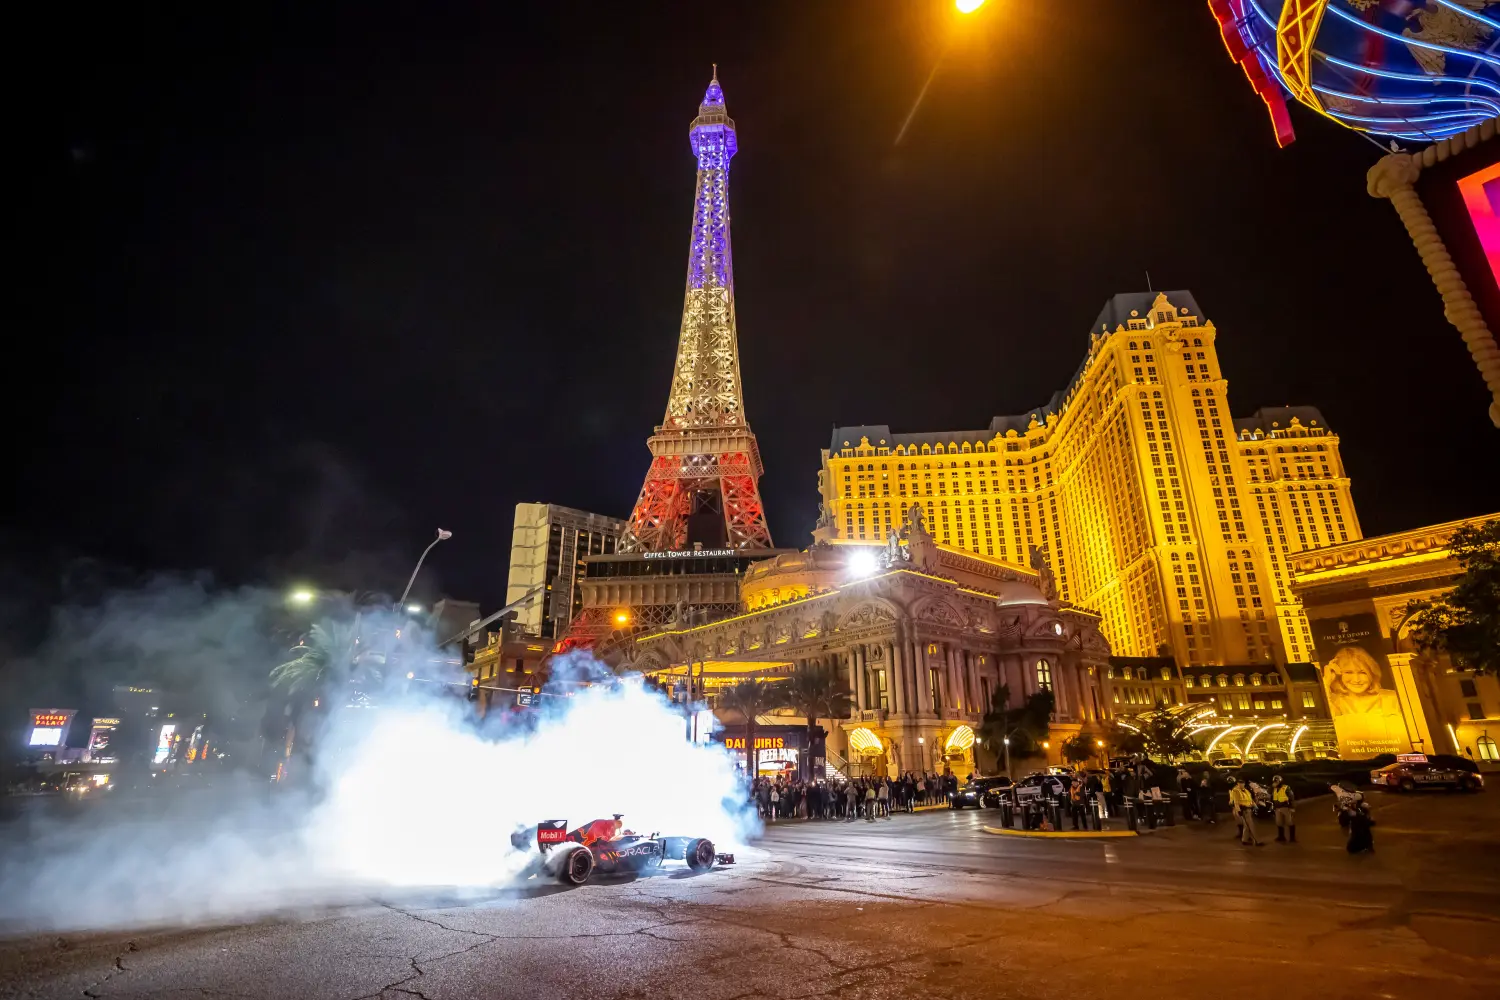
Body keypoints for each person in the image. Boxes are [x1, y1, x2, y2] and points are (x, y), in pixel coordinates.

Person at [1229, 777, 1264, 846]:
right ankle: (1257, 841)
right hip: (1243, 810)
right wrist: (1239, 810)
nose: (1241, 784)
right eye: (1240, 783)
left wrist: (1255, 806)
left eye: (1242, 783)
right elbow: (1236, 802)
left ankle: (1244, 840)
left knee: (1246, 826)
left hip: (1248, 809)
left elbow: (1250, 800)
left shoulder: (1246, 791)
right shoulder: (1236, 790)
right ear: (1237, 784)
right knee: (1250, 825)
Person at [1272, 775, 1296, 843]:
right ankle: (1281, 837)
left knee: (1289, 822)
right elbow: (1269, 793)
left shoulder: (1286, 787)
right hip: (1277, 808)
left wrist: (1292, 807)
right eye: (1274, 781)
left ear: (1280, 781)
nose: (1275, 782)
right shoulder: (1274, 788)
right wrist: (1272, 786)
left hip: (1286, 807)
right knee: (1279, 823)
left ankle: (1292, 838)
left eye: (1277, 781)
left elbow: (1291, 797)